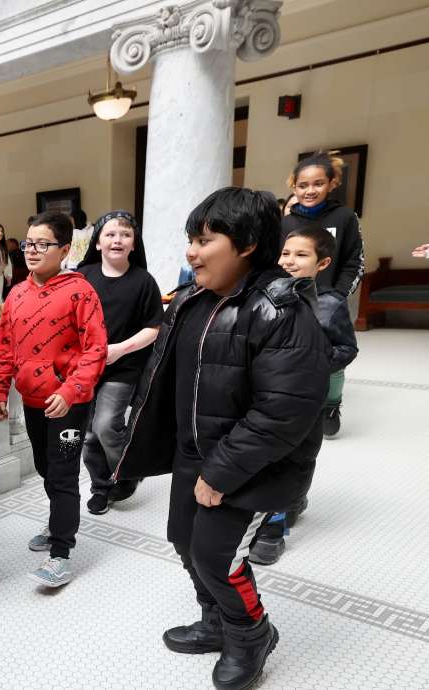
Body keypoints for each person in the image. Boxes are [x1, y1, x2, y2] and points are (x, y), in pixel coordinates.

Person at [115, 187, 328, 690]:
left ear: (248, 243)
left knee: (217, 556)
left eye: (205, 240)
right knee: (184, 541)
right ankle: (215, 620)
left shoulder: (281, 312)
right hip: (197, 453)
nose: (191, 251)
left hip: (252, 466)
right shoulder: (193, 299)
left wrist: (220, 472)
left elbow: (282, 412)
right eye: (191, 239)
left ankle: (250, 632)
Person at [0, 210, 107, 588]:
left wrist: (70, 390)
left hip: (68, 402)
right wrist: (0, 389)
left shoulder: (80, 291)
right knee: (44, 467)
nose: (32, 250)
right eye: (28, 243)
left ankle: (61, 552)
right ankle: (58, 519)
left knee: (62, 474)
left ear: (63, 249)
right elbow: (6, 347)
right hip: (32, 399)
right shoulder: (17, 294)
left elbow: (95, 350)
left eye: (43, 244)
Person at [249, 227, 359, 565]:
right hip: (265, 396)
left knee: (298, 456)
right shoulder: (263, 295)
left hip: (306, 400)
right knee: (265, 455)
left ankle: (277, 524)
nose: (290, 261)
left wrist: (312, 366)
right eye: (285, 253)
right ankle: (275, 507)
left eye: (301, 255)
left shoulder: (330, 304)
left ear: (322, 262)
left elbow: (346, 348)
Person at [75, 210, 162, 515]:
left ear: (134, 244)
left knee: (107, 424)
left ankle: (126, 469)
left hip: (123, 366)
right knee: (86, 434)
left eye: (125, 234)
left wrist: (119, 350)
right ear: (97, 243)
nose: (117, 239)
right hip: (84, 368)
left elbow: (153, 328)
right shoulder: (82, 277)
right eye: (110, 234)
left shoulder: (144, 281)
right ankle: (101, 486)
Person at [281, 151, 364, 435]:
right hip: (291, 300)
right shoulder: (286, 223)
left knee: (332, 356)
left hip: (329, 300)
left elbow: (355, 259)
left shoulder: (344, 217)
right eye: (303, 185)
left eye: (318, 183)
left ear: (332, 183)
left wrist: (338, 295)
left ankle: (330, 403)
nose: (310, 190)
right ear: (294, 187)